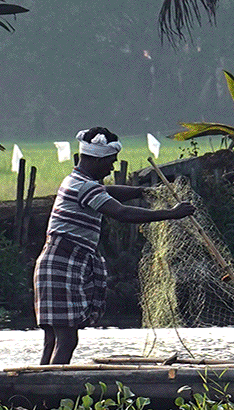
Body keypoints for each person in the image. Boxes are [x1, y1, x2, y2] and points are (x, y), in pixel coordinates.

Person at [34, 126, 195, 365]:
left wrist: (145, 192)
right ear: (97, 159)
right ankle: (50, 391)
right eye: (110, 162)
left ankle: (40, 391)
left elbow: (110, 192)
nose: (111, 167)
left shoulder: (78, 181)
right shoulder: (83, 186)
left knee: (54, 339)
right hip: (61, 264)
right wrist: (171, 214)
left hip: (59, 262)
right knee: (66, 340)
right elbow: (120, 212)